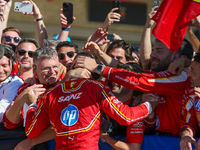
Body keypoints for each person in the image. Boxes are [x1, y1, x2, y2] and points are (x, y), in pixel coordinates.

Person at [24, 52, 159, 150]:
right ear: (91, 69)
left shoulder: (51, 94)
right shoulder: (97, 87)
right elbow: (126, 116)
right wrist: (149, 105)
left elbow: (31, 132)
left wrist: (32, 105)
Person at [75, 41, 189, 136]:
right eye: (153, 50)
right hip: (155, 139)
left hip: (176, 143)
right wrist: (99, 53)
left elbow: (137, 79)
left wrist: (98, 68)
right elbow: (127, 71)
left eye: (158, 51)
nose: (152, 55)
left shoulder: (181, 76)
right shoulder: (154, 73)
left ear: (176, 56)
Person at [3, 46, 65, 150]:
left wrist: (31, 142)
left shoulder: (66, 84)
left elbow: (64, 124)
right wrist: (23, 97)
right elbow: (9, 124)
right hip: (32, 138)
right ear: (35, 69)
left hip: (55, 139)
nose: (52, 72)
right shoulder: (27, 87)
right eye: (46, 68)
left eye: (55, 67)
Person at [100, 62, 159, 150]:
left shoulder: (137, 107)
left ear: (133, 85)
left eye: (121, 78)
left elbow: (132, 148)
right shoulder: (100, 96)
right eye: (115, 77)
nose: (114, 81)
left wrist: (105, 137)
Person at [179, 53, 200, 150]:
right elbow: (188, 123)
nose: (188, 74)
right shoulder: (190, 89)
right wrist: (186, 135)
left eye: (192, 70)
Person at [0, 44, 23, 122]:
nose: (0, 70)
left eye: (4, 65)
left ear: (13, 65)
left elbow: (1, 112)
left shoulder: (15, 83)